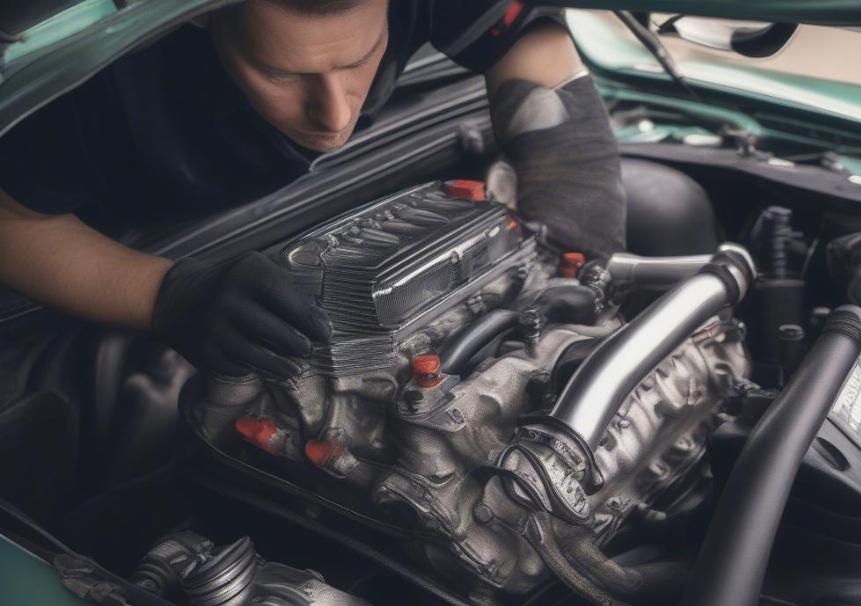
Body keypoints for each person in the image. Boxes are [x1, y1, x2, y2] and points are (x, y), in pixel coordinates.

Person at [0, 0, 625, 379]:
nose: (333, 116)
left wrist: (573, 227)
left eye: (360, 60)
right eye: (280, 72)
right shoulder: (92, 88)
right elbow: (12, 219)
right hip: (112, 218)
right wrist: (167, 295)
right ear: (198, 18)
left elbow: (532, 51)